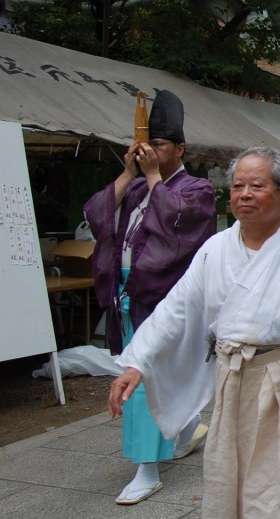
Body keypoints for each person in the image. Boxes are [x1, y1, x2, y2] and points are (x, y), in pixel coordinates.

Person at [107, 146, 280, 518]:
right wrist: (137, 362)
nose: (244, 194)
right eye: (238, 185)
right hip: (233, 381)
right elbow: (177, 308)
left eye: (257, 185)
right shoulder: (216, 249)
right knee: (231, 478)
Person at [84, 89, 216, 505]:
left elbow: (179, 223)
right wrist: (127, 174)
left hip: (168, 297)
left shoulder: (197, 189)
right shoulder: (137, 189)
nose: (149, 151)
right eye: (144, 145)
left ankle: (146, 468)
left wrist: (155, 176)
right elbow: (96, 215)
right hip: (130, 295)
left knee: (145, 377)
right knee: (144, 373)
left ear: (179, 148)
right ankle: (183, 426)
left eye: (158, 144)